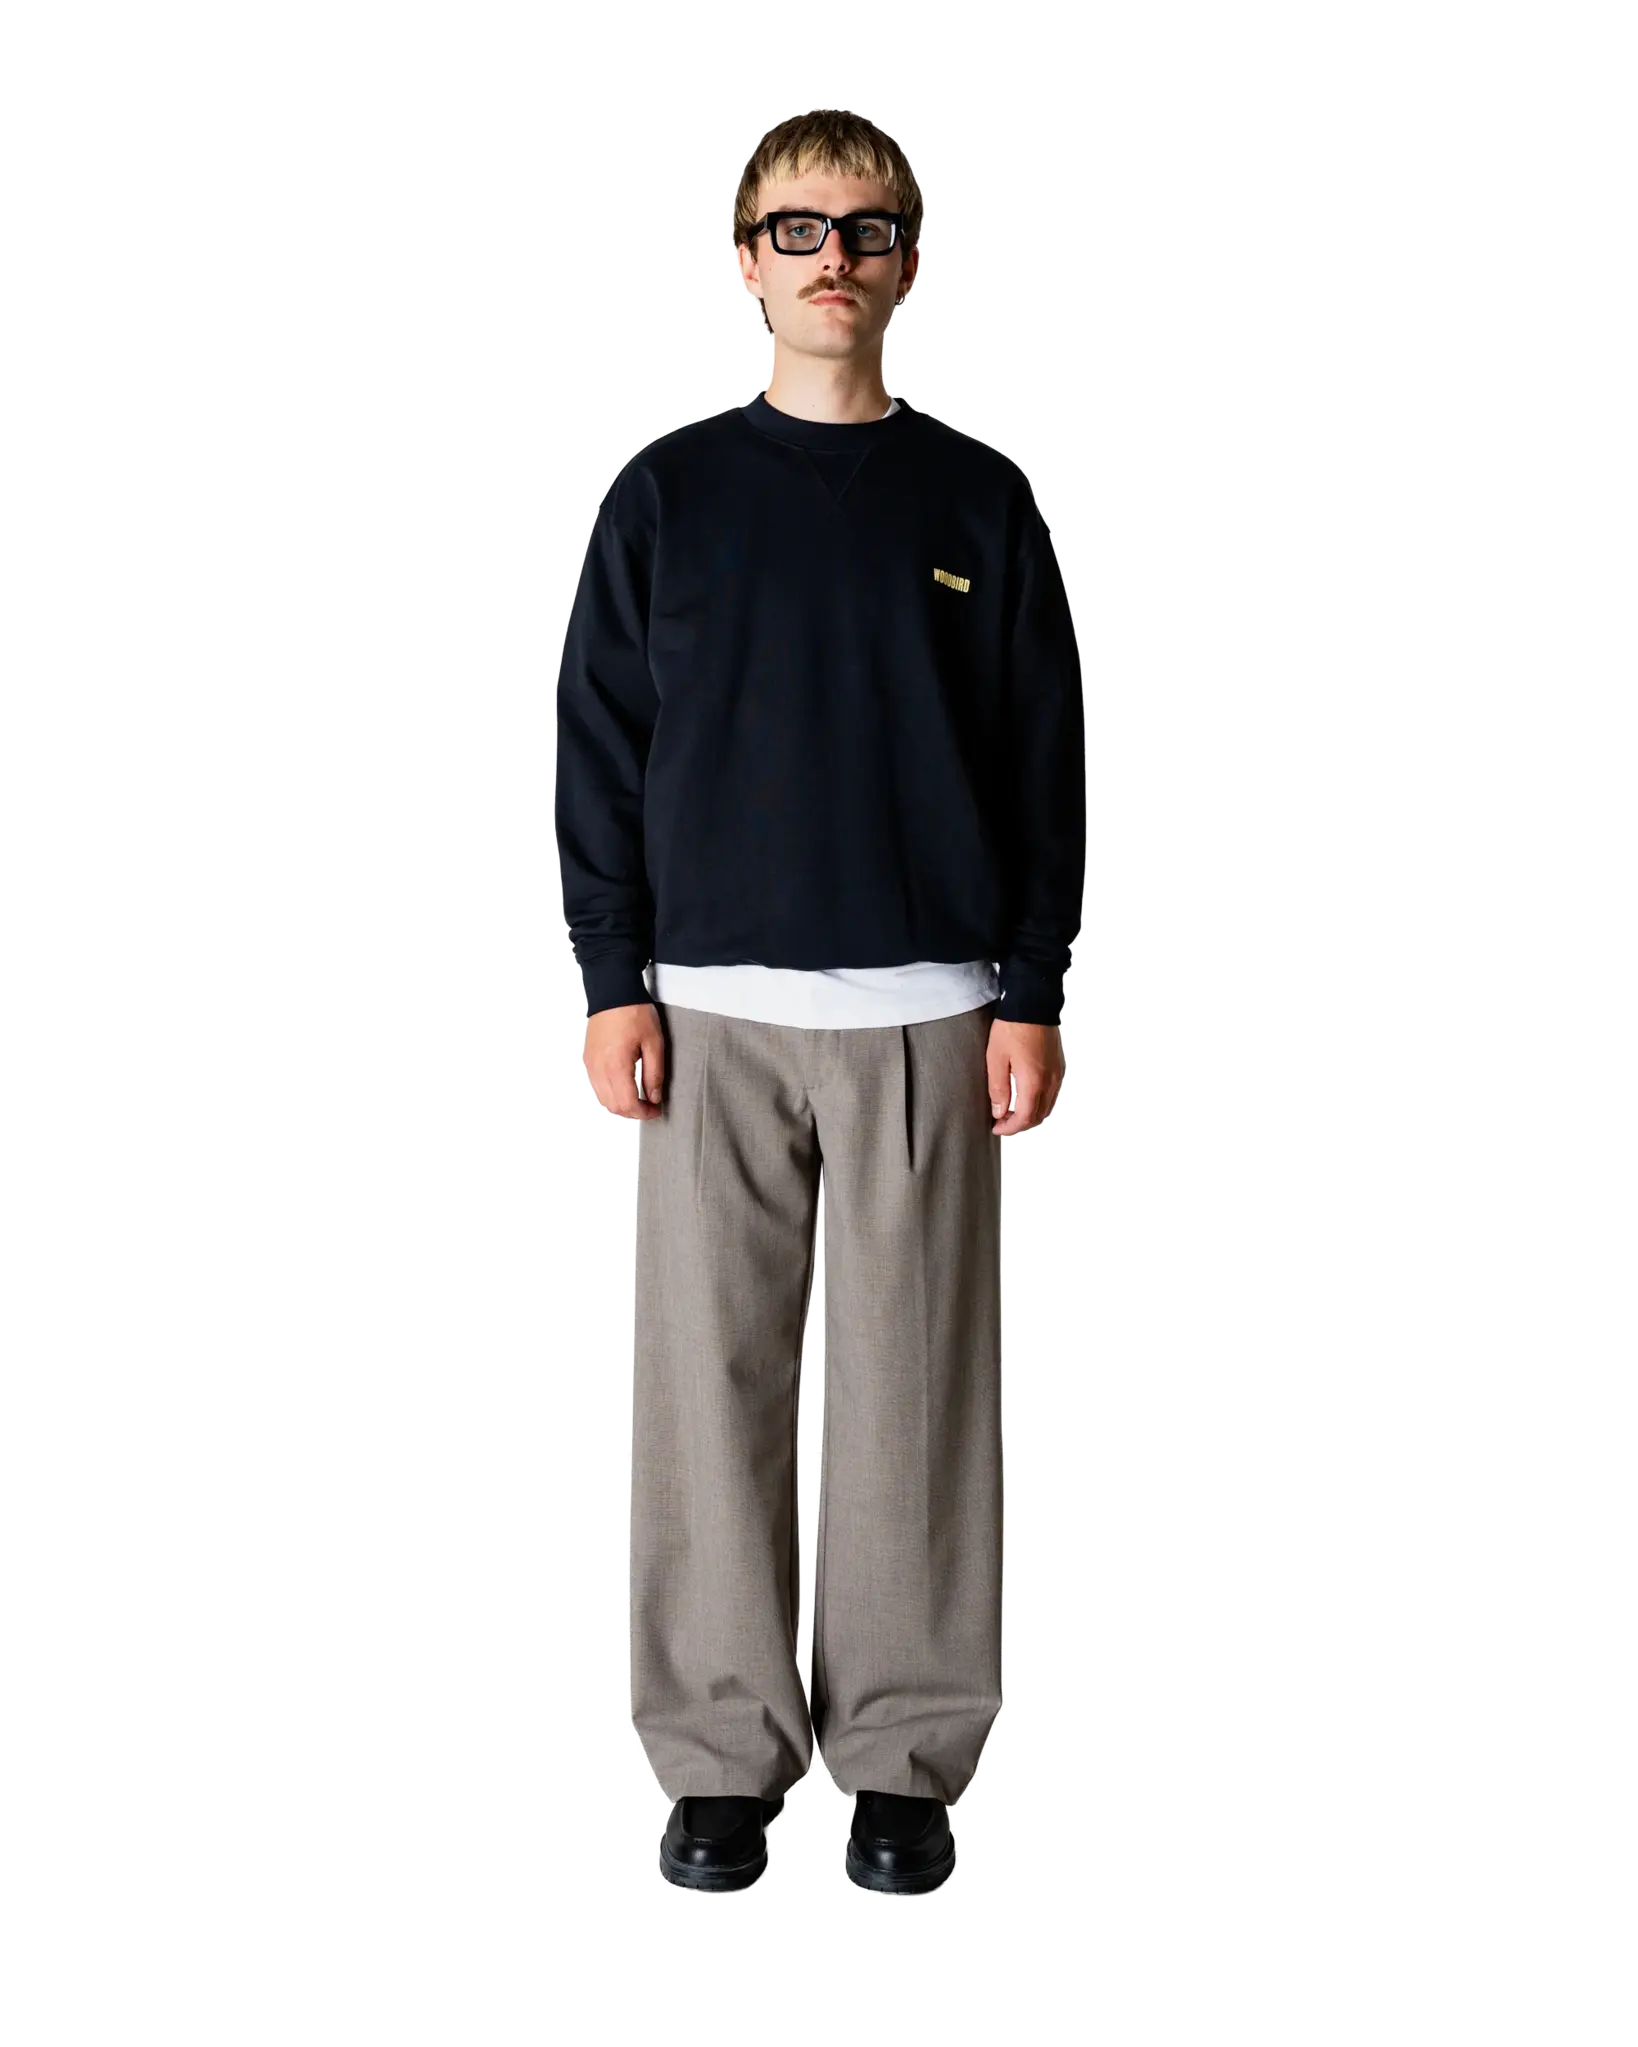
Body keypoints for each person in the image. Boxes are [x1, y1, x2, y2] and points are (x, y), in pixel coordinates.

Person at [556, 109, 1086, 1894]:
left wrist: (1031, 990)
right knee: (701, 1395)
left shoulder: (976, 498)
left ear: (908, 262)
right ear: (744, 260)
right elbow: (598, 752)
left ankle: (901, 1762)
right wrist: (610, 979)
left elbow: (1042, 764)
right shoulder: (666, 495)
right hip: (705, 1013)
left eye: (865, 228)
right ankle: (718, 1762)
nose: (832, 258)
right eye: (798, 228)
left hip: (931, 1012)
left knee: (914, 1395)